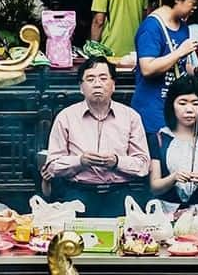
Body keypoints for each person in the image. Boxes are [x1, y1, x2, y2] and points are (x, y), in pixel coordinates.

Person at [43, 57, 151, 218]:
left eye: (103, 78)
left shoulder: (130, 117)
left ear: (113, 85)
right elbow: (52, 165)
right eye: (90, 79)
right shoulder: (66, 117)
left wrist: (117, 162)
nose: (97, 83)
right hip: (78, 194)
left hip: (120, 194)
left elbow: (143, 165)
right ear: (81, 87)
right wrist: (80, 161)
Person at [131, 0, 198, 135]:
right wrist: (180, 52)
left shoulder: (183, 27)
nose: (195, 8)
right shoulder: (151, 27)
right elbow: (147, 68)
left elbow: (180, 66)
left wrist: (197, 71)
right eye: (193, 3)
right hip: (152, 110)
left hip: (176, 110)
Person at [148, 76, 198, 224]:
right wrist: (173, 178)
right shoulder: (159, 139)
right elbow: (154, 186)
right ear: (172, 105)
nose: (189, 109)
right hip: (165, 217)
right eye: (182, 103)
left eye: (195, 103)